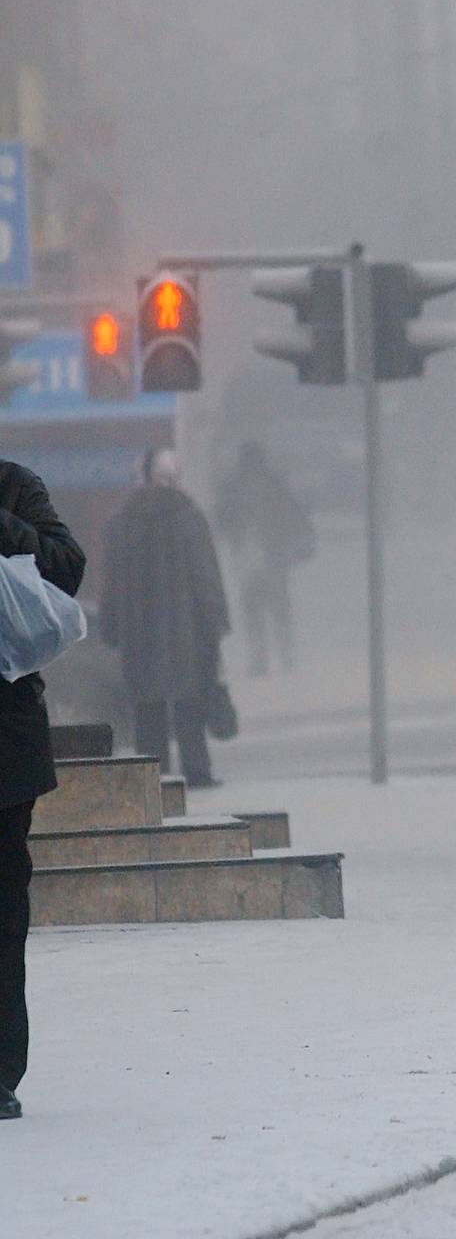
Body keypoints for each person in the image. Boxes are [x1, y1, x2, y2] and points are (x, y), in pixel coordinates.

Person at [0, 461, 85, 1120]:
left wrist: (4, 529)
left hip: (5, 741)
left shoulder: (15, 487)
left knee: (2, 912)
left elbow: (65, 567)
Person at [100, 448, 230, 789]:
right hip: (187, 633)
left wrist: (111, 628)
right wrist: (216, 623)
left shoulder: (120, 522)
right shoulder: (188, 515)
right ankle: (197, 771)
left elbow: (110, 583)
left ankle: (152, 777)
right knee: (190, 703)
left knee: (147, 710)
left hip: (139, 636)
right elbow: (206, 576)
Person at [214, 441, 314, 677]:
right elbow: (294, 513)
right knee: (279, 607)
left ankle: (260, 660)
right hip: (274, 555)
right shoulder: (274, 483)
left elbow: (221, 520)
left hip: (249, 555)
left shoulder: (233, 486)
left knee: (253, 609)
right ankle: (286, 655)